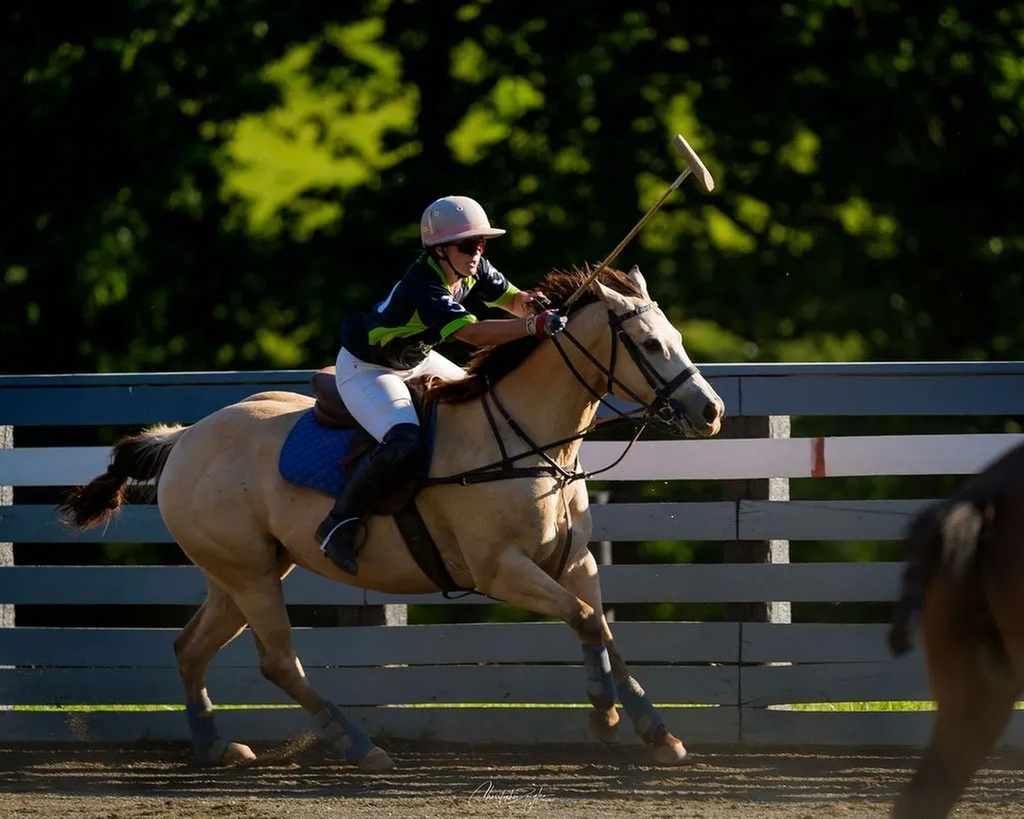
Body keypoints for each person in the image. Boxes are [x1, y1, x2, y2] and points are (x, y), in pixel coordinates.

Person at [317, 195, 568, 574]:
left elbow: (514, 301)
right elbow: (473, 334)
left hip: (415, 358)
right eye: (468, 245)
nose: (477, 252)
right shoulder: (424, 287)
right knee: (403, 443)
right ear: (438, 251)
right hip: (368, 369)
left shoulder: (472, 268)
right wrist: (532, 327)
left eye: (481, 243)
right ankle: (339, 523)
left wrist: (534, 303)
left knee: (483, 400)